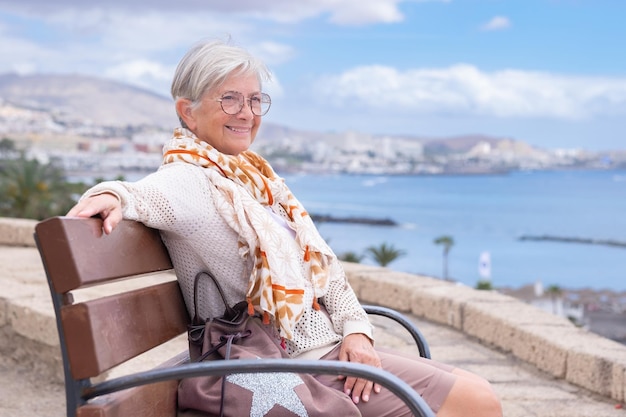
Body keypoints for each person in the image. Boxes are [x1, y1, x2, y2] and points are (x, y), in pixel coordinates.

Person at [67, 39, 502, 417]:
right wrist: (111, 195)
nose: (247, 113)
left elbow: (325, 268)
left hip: (324, 349)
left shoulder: (255, 179)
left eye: (256, 100)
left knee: (472, 390)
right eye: (230, 99)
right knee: (476, 402)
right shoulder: (191, 178)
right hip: (284, 364)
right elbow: (144, 194)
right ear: (189, 112)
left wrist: (356, 329)